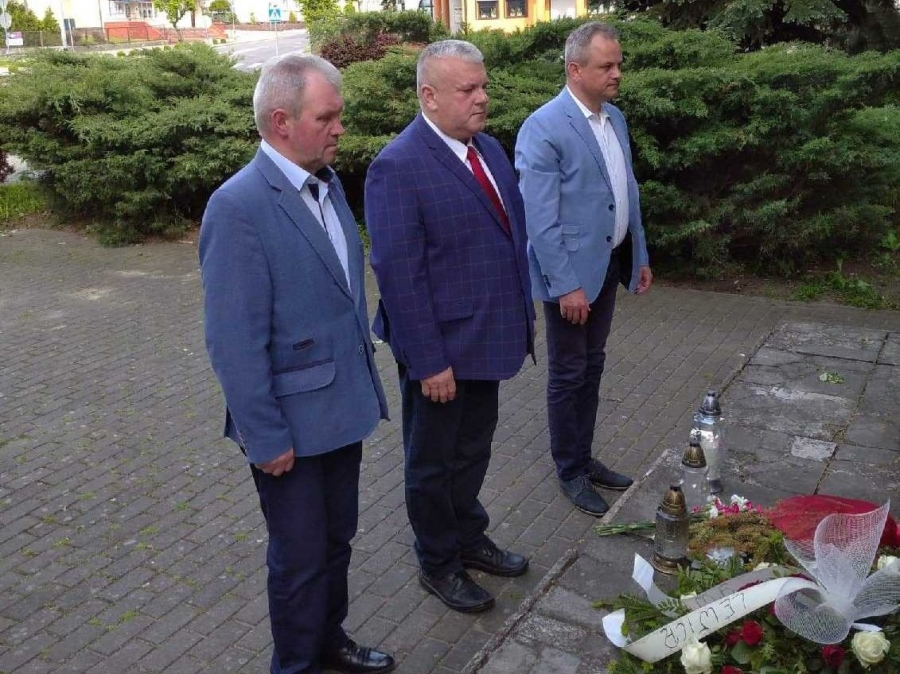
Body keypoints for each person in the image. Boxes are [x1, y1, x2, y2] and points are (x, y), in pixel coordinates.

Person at [199, 54, 395, 674]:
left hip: (342, 410)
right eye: (327, 117)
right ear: (282, 121)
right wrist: (264, 436)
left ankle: (328, 641)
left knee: (336, 543)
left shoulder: (327, 184)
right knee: (299, 559)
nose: (341, 128)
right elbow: (233, 340)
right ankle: (295, 664)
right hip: (289, 430)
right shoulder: (238, 205)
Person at [365, 40, 535, 614]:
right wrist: (429, 360)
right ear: (430, 96)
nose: (482, 98)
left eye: (483, 86)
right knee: (432, 463)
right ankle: (438, 562)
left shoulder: (488, 148)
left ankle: (468, 537)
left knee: (473, 450)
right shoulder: (398, 166)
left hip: (487, 339)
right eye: (468, 89)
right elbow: (399, 276)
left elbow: (506, 238)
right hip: (440, 351)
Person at [515, 22, 653, 517]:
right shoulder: (544, 127)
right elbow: (539, 219)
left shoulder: (614, 118)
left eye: (619, 64)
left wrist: (639, 255)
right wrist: (565, 285)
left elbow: (626, 190)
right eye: (606, 66)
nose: (617, 73)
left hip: (608, 265)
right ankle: (569, 469)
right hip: (571, 279)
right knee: (569, 373)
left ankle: (584, 455)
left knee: (592, 366)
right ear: (575, 70)